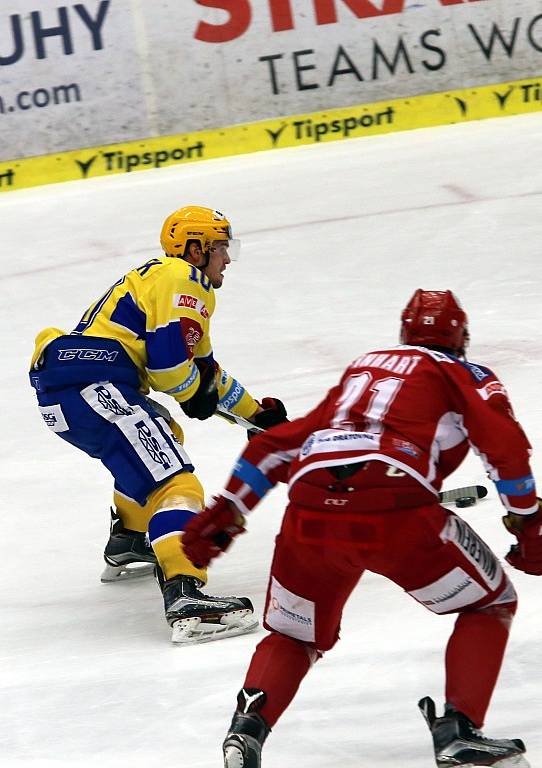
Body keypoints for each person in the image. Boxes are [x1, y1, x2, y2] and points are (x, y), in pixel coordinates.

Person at [183, 289, 541, 766]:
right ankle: (460, 730)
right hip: (397, 511)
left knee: (295, 634)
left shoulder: (364, 367)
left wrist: (229, 507)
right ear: (462, 338)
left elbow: (278, 445)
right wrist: (528, 520)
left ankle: (246, 730)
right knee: (491, 601)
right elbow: (504, 447)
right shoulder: (462, 372)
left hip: (309, 513)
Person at [29, 205, 287, 645]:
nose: (228, 258)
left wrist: (256, 416)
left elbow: (205, 374)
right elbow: (172, 372)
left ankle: (131, 536)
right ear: (196, 248)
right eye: (222, 247)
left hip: (77, 386)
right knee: (176, 485)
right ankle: (186, 594)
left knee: (163, 436)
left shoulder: (168, 282)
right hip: (94, 383)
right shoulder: (183, 279)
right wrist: (194, 396)